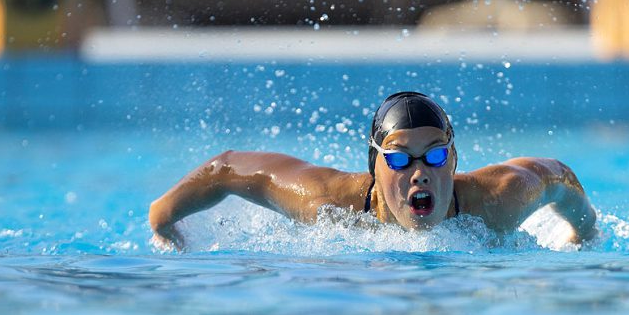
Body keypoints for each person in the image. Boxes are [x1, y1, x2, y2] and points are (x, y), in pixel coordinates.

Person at [149, 91, 596, 249]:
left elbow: (559, 177)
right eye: (400, 158)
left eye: (435, 156)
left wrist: (584, 233)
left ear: (455, 159)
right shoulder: (328, 205)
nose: (419, 173)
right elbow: (226, 168)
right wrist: (164, 217)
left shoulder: (499, 200)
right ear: (375, 168)